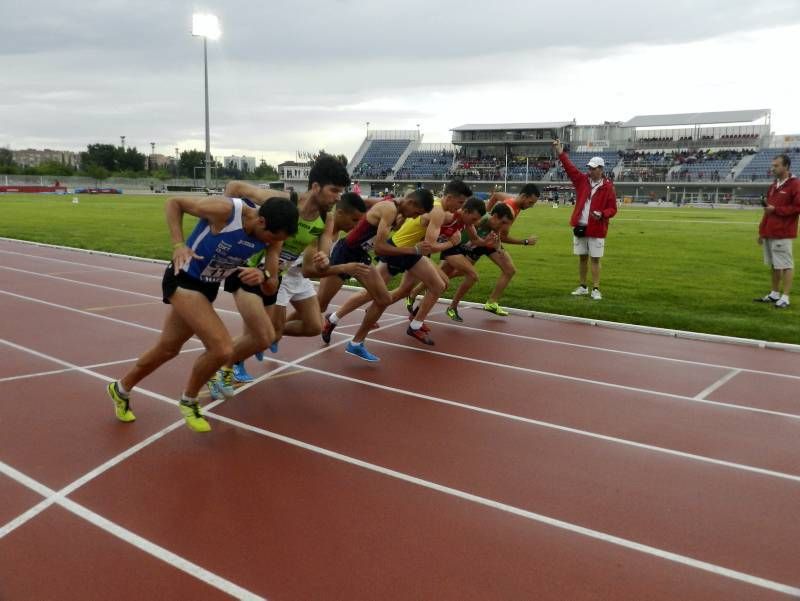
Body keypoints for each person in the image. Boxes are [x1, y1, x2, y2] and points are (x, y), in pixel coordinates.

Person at [105, 195, 298, 432]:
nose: (273, 243)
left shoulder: (273, 239)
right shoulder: (227, 211)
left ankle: (121, 389)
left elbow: (271, 284)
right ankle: (189, 400)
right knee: (222, 348)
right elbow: (174, 203)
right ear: (261, 222)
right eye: (272, 237)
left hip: (207, 287)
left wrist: (264, 277)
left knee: (167, 348)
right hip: (182, 278)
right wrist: (178, 244)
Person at [213, 155, 350, 393]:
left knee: (311, 326)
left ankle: (234, 360)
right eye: (334, 190)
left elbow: (325, 240)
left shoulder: (325, 218)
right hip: (253, 271)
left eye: (341, 192)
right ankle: (224, 367)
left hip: (279, 275)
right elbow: (235, 187)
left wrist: (324, 256)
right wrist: (227, 227)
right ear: (315, 186)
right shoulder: (283, 201)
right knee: (263, 334)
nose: (338, 197)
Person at [321, 189, 437, 360]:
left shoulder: (395, 209)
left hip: (360, 257)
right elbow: (380, 248)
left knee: (384, 299)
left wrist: (400, 217)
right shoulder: (390, 209)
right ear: (412, 203)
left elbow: (372, 208)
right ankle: (278, 329)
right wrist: (414, 250)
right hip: (344, 255)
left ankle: (356, 343)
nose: (414, 217)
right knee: (319, 304)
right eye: (416, 213)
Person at [554, 139, 617, 300]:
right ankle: (583, 286)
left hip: (597, 228)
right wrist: (561, 153)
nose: (590, 171)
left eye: (594, 169)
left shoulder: (608, 187)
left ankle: (596, 289)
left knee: (595, 259)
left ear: (601, 169)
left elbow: (613, 209)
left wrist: (602, 214)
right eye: (589, 168)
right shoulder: (582, 180)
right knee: (582, 258)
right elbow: (570, 168)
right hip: (580, 226)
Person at [438, 202, 517, 321]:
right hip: (457, 246)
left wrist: (498, 248)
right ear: (494, 216)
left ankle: (452, 307)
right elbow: (470, 237)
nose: (504, 227)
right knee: (442, 275)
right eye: (503, 222)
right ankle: (415, 294)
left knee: (465, 275)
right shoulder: (480, 221)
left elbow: (488, 238)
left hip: (473, 245)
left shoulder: (495, 225)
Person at [474, 183, 540, 315]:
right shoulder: (510, 209)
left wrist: (485, 213)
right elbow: (503, 237)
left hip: (491, 240)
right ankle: (433, 284)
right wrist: (526, 241)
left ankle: (492, 303)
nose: (531, 206)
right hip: (485, 242)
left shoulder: (512, 199)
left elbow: (496, 195)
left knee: (509, 270)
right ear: (524, 196)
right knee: (456, 271)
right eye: (530, 202)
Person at [754, 154, 800, 308]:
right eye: (773, 165)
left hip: (783, 232)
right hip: (770, 231)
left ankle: (785, 298)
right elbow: (768, 210)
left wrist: (776, 210)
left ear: (786, 166)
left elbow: (797, 207)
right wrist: (762, 231)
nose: (773, 168)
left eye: (776, 166)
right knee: (774, 265)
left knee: (786, 265)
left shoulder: (795, 184)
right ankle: (774, 294)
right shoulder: (774, 185)